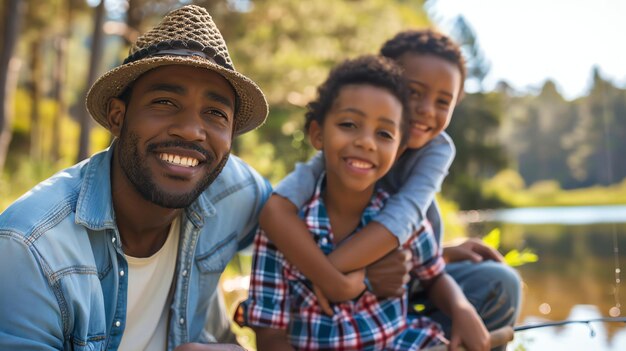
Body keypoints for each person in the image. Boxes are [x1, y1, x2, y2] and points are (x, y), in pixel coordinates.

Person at [0, 5, 270, 351]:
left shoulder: (232, 188)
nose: (191, 131)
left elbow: (315, 213)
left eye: (215, 113)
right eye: (165, 102)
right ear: (118, 117)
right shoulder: (31, 250)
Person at [259, 30, 520, 351]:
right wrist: (335, 280)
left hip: (406, 270)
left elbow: (403, 219)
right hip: (344, 279)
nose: (426, 110)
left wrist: (443, 269)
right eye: (414, 92)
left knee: (500, 282)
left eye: (443, 101)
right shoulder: (333, 158)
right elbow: (275, 212)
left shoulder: (437, 150)